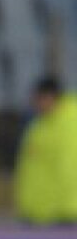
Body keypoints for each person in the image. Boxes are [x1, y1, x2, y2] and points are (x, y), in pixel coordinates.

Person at [14, 75, 77, 225]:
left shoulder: (70, 123)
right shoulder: (39, 125)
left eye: (38, 98)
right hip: (39, 213)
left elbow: (68, 169)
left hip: (64, 214)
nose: (35, 103)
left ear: (50, 97)